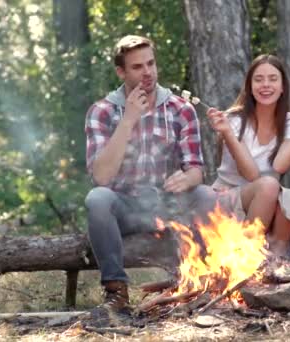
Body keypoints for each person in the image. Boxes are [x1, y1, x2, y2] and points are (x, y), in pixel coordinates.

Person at [84, 35, 207, 311]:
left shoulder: (180, 109)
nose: (147, 72)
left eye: (151, 63)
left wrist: (188, 178)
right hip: (126, 208)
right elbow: (101, 178)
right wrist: (128, 119)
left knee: (206, 194)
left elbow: (196, 170)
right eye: (137, 67)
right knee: (97, 199)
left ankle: (204, 282)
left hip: (169, 205)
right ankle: (116, 293)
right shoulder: (101, 112)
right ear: (121, 72)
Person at [207, 54, 290, 256]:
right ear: (249, 86)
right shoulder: (232, 119)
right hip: (228, 197)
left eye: (273, 79)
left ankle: (276, 260)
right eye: (258, 79)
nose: (265, 85)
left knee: (289, 197)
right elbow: (251, 174)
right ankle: (245, 257)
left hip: (268, 198)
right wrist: (227, 133)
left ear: (283, 86)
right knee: (269, 186)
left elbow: (279, 166)